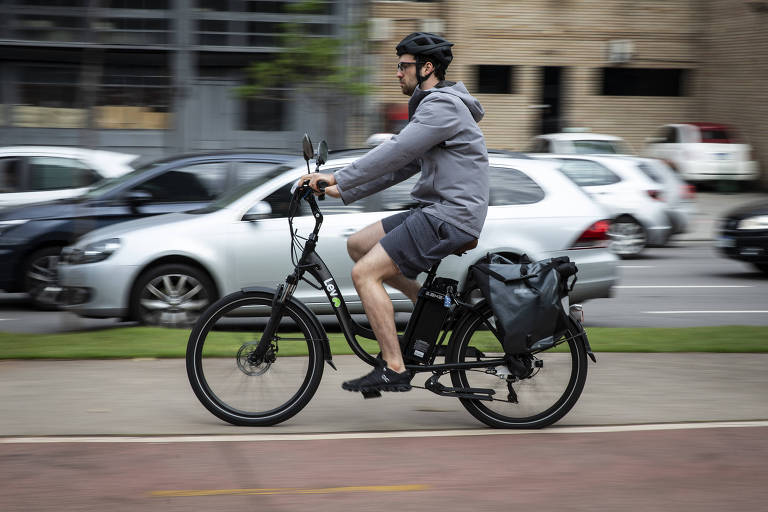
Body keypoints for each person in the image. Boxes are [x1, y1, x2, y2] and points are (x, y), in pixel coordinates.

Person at [297, 32, 489, 394]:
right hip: (439, 211)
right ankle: (431, 306)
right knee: (359, 245)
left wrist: (337, 175)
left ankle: (394, 367)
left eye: (404, 66)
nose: (397, 73)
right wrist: (342, 189)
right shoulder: (435, 107)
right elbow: (402, 167)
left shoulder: (442, 106)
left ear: (427, 67)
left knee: (365, 274)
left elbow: (395, 151)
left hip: (450, 215)